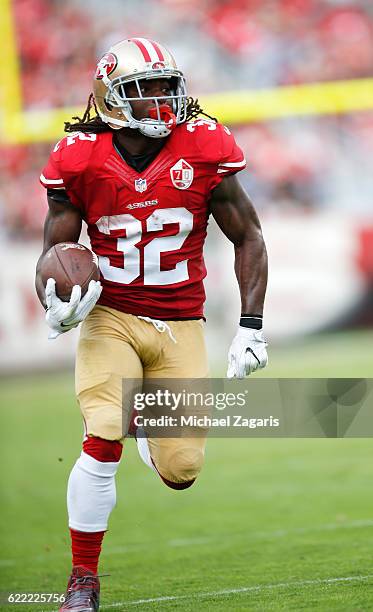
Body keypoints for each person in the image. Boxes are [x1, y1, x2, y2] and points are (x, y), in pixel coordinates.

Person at [35, 37, 268, 612]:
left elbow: (248, 236)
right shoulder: (80, 156)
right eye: (148, 89)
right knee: (101, 433)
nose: (164, 100)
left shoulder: (204, 144)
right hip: (111, 316)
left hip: (181, 320)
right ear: (112, 98)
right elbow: (57, 249)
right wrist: (55, 302)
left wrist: (251, 324)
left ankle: (149, 433)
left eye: (169, 86)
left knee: (183, 469)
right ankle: (82, 582)